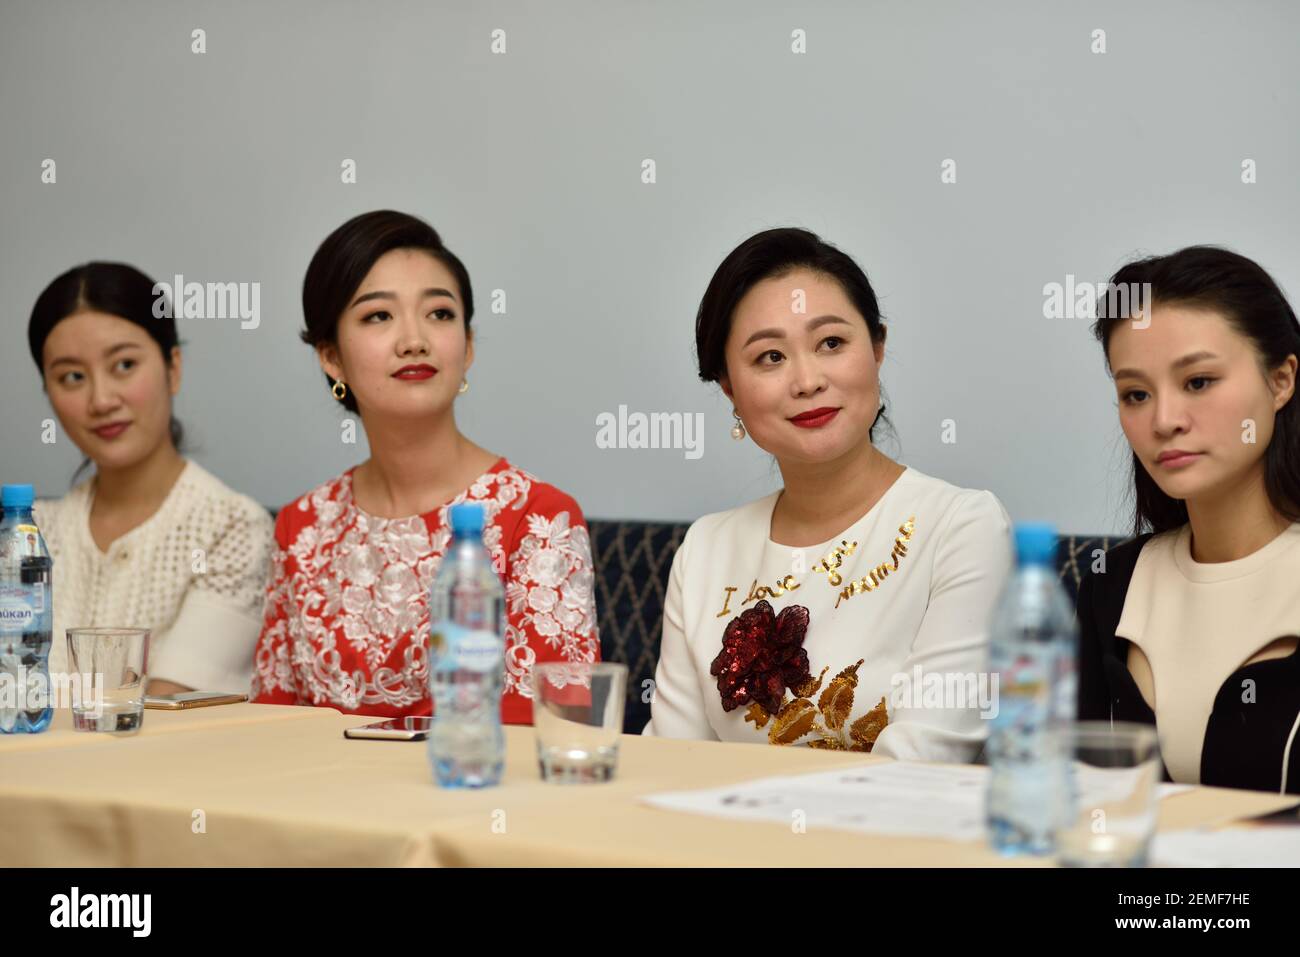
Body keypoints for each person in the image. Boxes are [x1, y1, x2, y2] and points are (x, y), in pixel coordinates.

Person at [644, 227, 1013, 761]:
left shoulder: (963, 528)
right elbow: (670, 766)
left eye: (831, 343)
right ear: (728, 388)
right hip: (721, 842)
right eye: (770, 357)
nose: (807, 380)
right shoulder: (706, 549)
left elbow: (924, 762)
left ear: (877, 349)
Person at [250, 210, 599, 722]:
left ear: (469, 345)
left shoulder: (538, 519)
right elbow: (269, 728)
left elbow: (549, 730)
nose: (414, 339)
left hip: (476, 797)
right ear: (331, 357)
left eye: (439, 313)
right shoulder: (302, 527)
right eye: (378, 316)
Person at [1079, 245, 1300, 793]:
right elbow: (1074, 794)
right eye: (1135, 394)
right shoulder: (1111, 581)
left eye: (1198, 382)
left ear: (1281, 380)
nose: (1165, 420)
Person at [28, 262, 273, 695]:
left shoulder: (232, 529)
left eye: (124, 364)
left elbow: (167, 713)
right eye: (72, 377)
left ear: (172, 367)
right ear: (49, 392)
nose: (101, 400)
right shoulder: (29, 535)